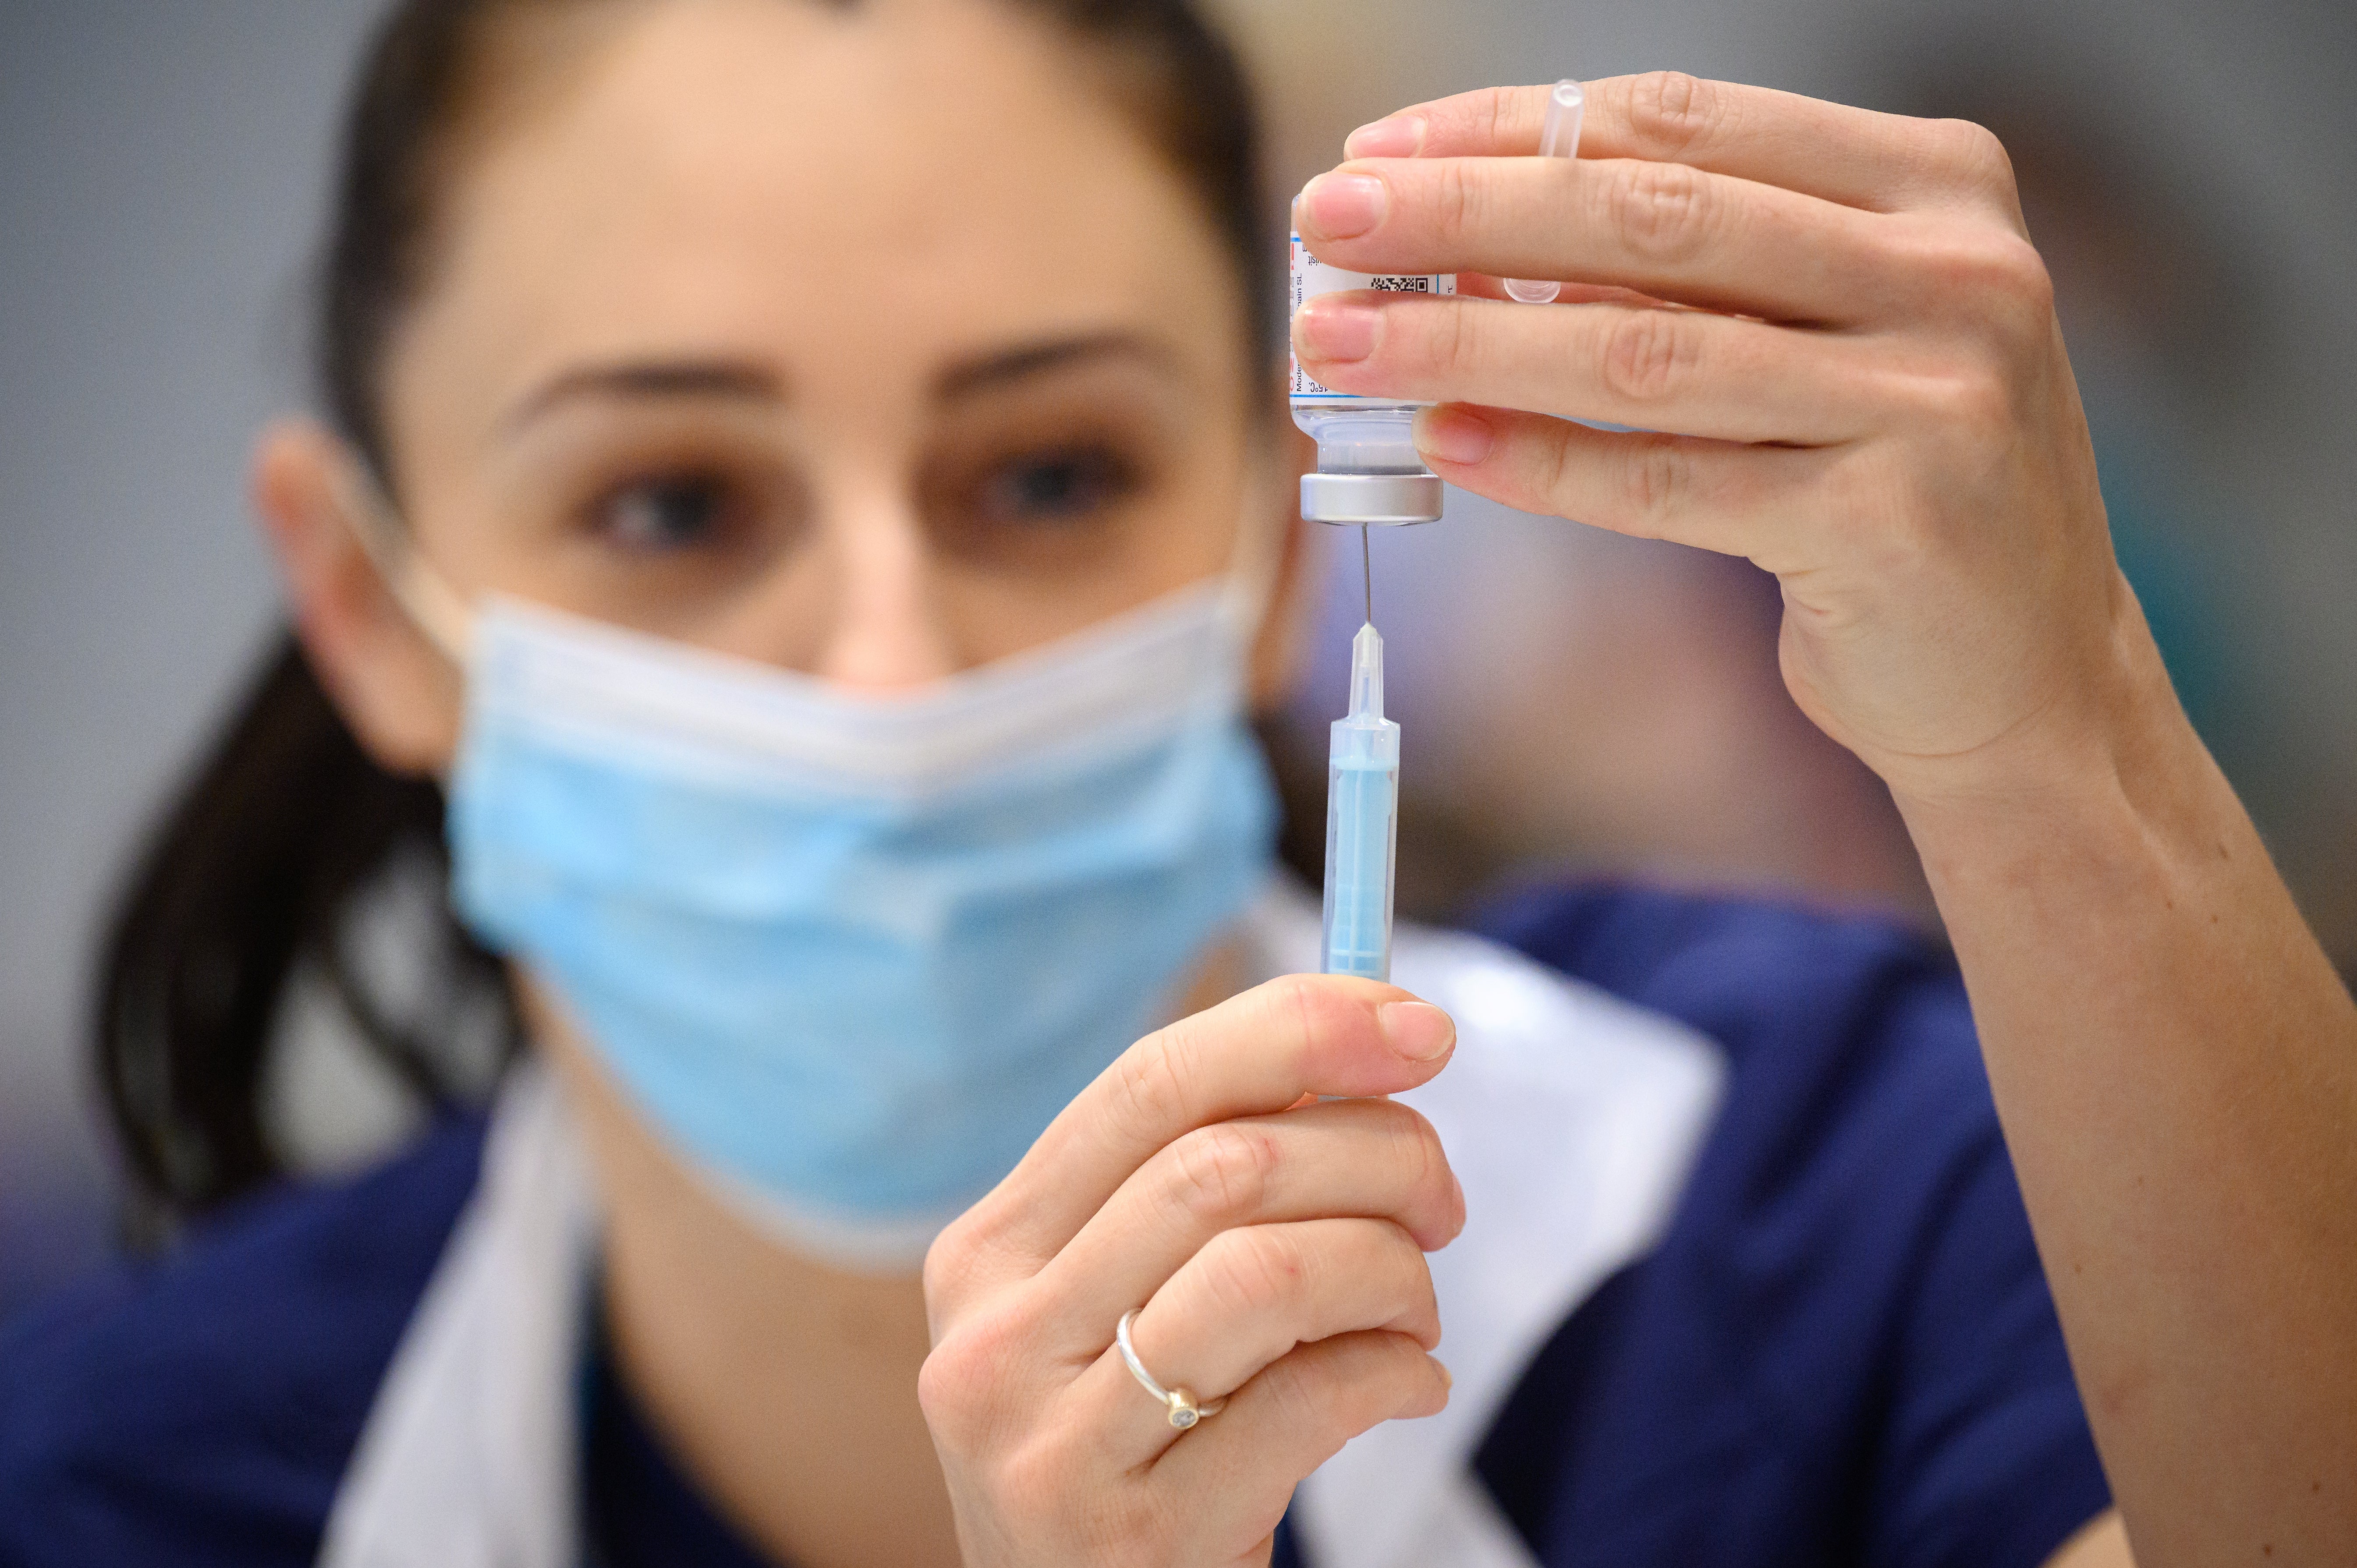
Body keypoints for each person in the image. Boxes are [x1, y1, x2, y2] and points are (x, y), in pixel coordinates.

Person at [0, 3, 2344, 1567]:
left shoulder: (1828, 1206)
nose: (888, 678)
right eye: (670, 507)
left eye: (1045, 476)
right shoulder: (149, 1490)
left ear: (1261, 546)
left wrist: (2063, 737)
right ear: (375, 608)